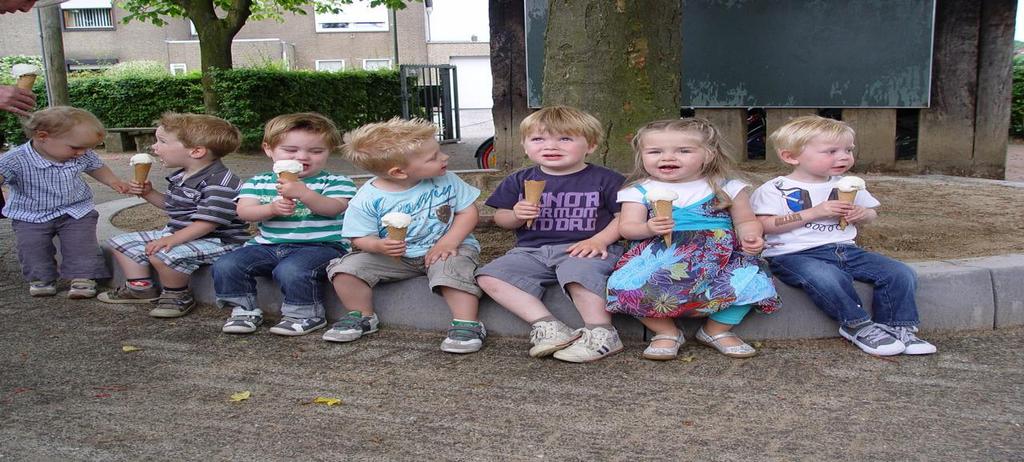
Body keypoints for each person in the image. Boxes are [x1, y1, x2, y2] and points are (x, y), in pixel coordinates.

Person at [750, 115, 936, 356]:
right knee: (827, 277)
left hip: (845, 249)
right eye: (831, 151)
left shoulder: (848, 185)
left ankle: (896, 327)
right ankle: (857, 325)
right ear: (791, 156)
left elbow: (871, 215)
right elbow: (765, 225)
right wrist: (814, 212)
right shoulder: (775, 189)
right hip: (792, 254)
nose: (843, 156)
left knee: (899, 272)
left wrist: (863, 213)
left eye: (848, 150)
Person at [606, 118, 780, 360]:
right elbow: (627, 228)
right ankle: (666, 332)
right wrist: (647, 227)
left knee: (753, 282)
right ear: (642, 155)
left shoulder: (726, 187)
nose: (667, 158)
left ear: (708, 155)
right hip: (663, 256)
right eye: (655, 151)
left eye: (683, 151)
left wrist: (751, 235)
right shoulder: (639, 190)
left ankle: (716, 330)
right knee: (624, 287)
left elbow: (745, 220)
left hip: (720, 256)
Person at [476, 106, 626, 363]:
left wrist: (600, 239)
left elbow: (622, 217)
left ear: (590, 145)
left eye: (565, 138)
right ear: (525, 146)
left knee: (578, 273)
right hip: (532, 251)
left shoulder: (606, 179)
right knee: (489, 276)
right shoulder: (519, 180)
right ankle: (548, 326)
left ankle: (602, 332)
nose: (551, 146)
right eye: (538, 139)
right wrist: (516, 215)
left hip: (587, 248)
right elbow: (501, 219)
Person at [323, 117, 485, 353]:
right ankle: (362, 315)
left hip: (449, 248)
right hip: (395, 257)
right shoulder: (367, 198)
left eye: (439, 152)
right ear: (398, 172)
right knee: (345, 270)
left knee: (454, 271)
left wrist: (449, 240)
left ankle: (467, 322)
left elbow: (468, 212)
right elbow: (358, 237)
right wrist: (379, 246)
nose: (444, 158)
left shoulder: (446, 179)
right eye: (433, 157)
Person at [212, 113, 355, 336]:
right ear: (269, 149)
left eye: (316, 151)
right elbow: (244, 212)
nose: (302, 157)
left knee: (292, 269)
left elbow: (334, 208)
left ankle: (306, 314)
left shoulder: (336, 182)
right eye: (291, 150)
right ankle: (243, 310)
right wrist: (270, 209)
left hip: (322, 246)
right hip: (268, 244)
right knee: (227, 264)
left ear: (329, 151)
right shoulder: (258, 182)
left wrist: (304, 193)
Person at [98, 113, 249, 318]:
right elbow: (172, 207)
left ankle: (177, 295)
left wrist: (170, 240)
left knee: (162, 253)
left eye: (162, 141)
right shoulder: (182, 175)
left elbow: (207, 224)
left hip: (219, 241)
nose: (154, 147)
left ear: (196, 151)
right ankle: (140, 287)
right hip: (183, 234)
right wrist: (149, 193)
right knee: (120, 242)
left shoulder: (221, 183)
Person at [0, 106, 129, 298]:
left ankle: (83, 277)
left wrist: (114, 181)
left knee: (82, 244)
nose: (82, 152)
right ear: (42, 137)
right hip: (30, 214)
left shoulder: (82, 154)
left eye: (87, 148)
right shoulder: (15, 159)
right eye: (76, 147)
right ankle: (41, 278)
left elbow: (96, 167)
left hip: (76, 210)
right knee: (32, 247)